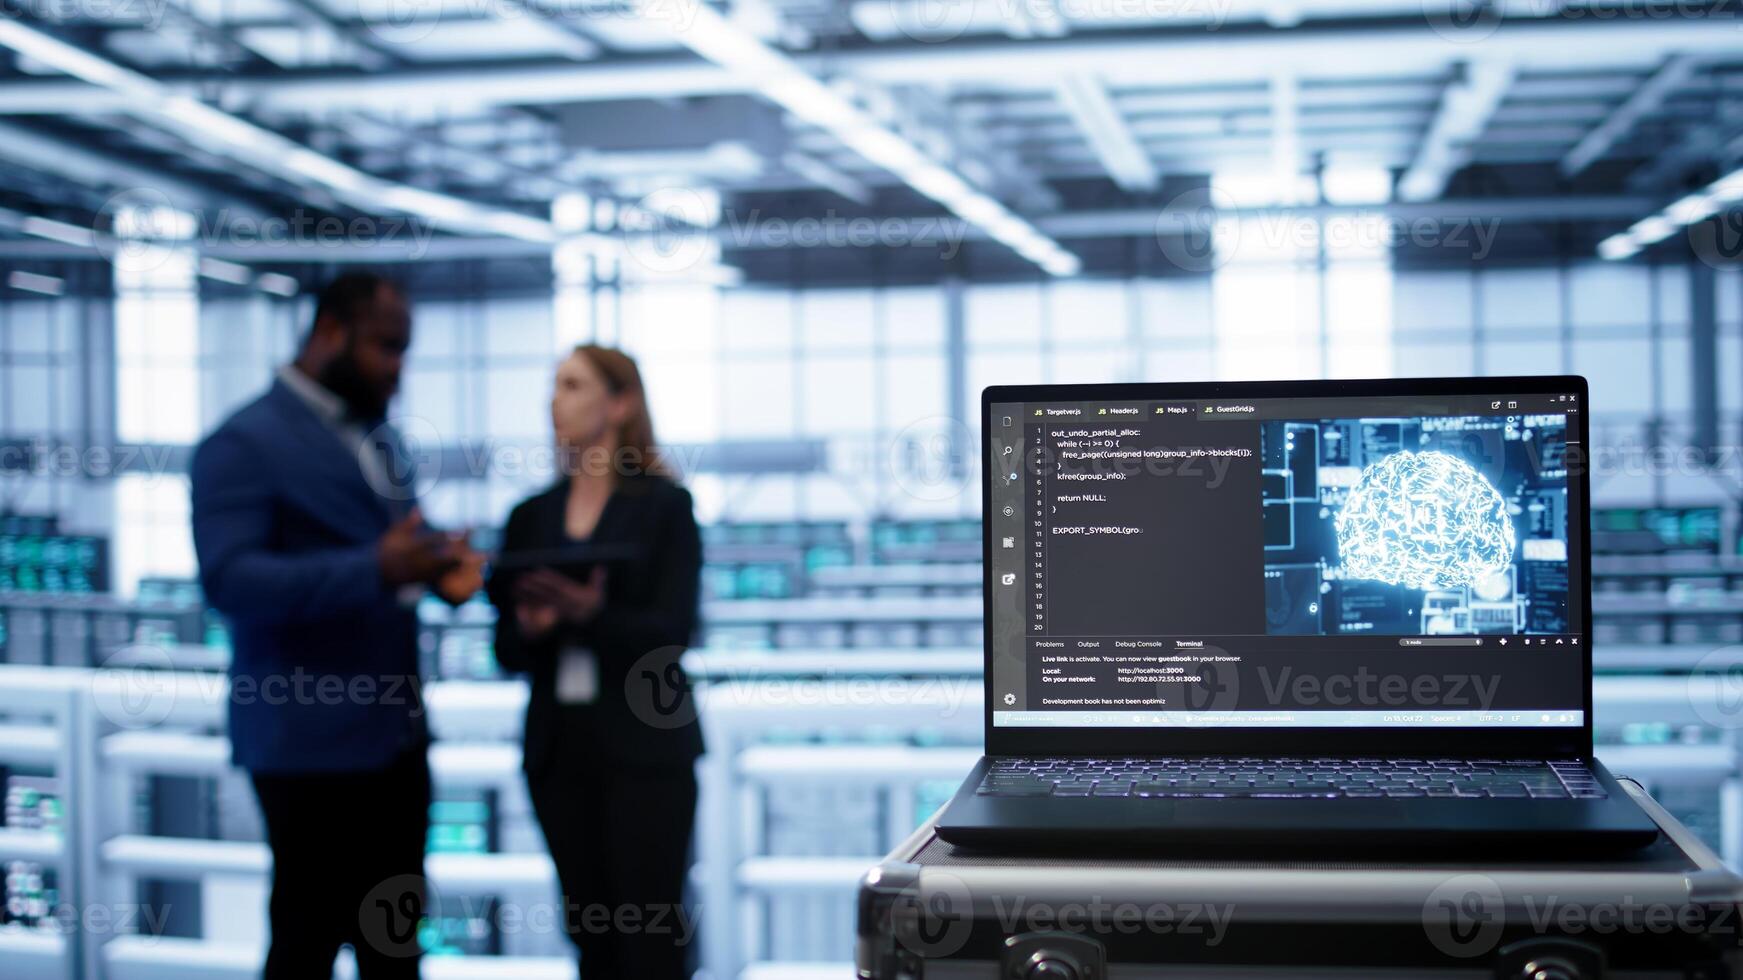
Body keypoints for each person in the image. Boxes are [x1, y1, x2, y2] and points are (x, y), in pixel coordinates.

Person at [190, 272, 482, 980]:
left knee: (395, 949)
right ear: (328, 333)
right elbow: (231, 582)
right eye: (386, 347)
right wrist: (378, 568)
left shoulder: (378, 437)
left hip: (395, 741)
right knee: (306, 943)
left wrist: (435, 563)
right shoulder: (241, 444)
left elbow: (386, 543)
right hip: (307, 750)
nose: (397, 368)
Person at [488, 345, 704, 980]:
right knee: (589, 931)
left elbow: (673, 633)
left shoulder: (665, 508)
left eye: (574, 385)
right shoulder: (529, 518)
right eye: (555, 385)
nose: (555, 400)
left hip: (647, 751)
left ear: (620, 403)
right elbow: (503, 649)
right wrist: (534, 627)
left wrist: (588, 615)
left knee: (653, 936)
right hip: (561, 753)